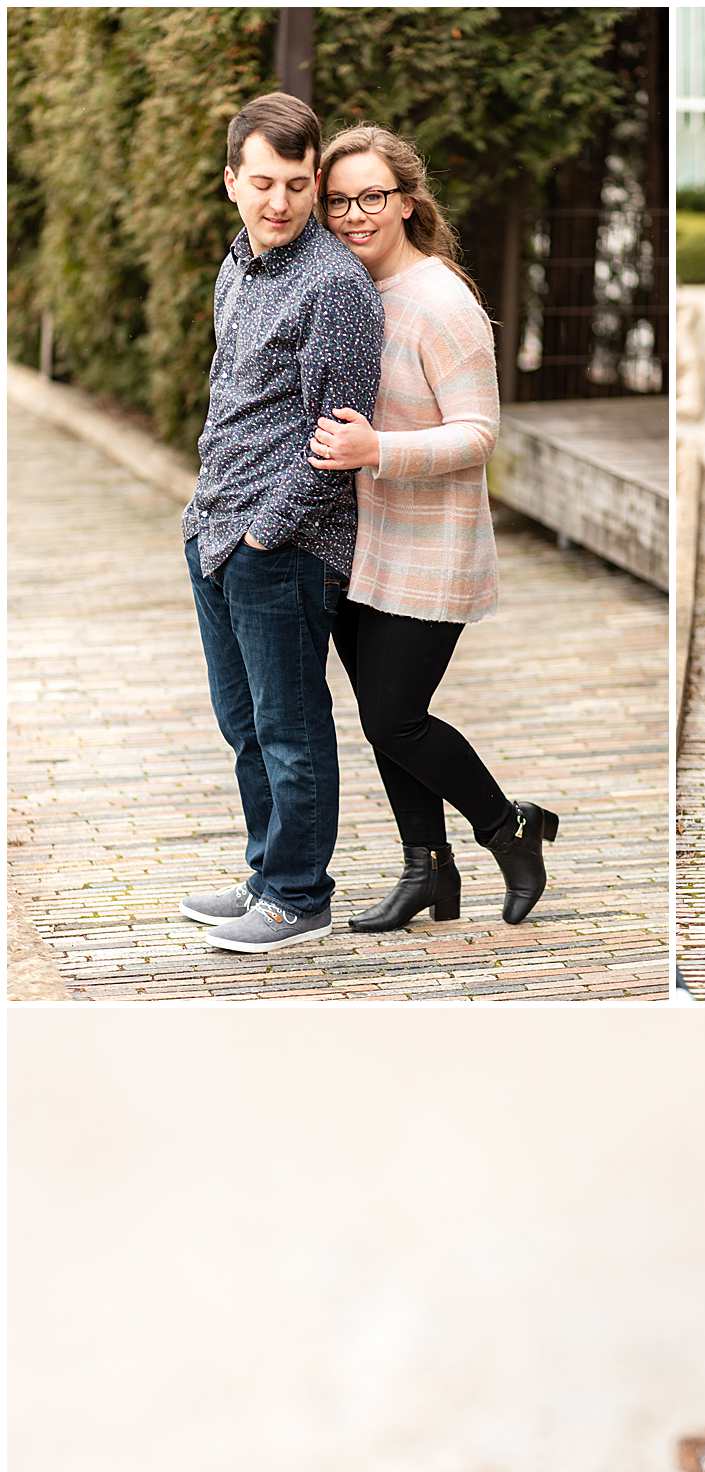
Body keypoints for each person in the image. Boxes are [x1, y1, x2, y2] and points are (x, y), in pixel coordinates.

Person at [306, 124, 559, 931]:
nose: (354, 215)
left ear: (408, 202)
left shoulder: (442, 302)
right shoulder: (346, 290)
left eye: (372, 197)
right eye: (338, 201)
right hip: (361, 546)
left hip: (431, 547)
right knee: (385, 726)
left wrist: (378, 450)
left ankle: (509, 829)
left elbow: (480, 433)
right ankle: (428, 872)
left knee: (396, 718)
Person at [179, 92, 384, 952]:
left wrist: (266, 534)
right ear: (232, 180)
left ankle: (299, 896)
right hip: (214, 528)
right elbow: (230, 393)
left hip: (284, 546)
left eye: (298, 185)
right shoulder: (238, 263)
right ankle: (268, 873)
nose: (280, 202)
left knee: (290, 731)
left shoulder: (334, 286)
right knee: (244, 727)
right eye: (263, 183)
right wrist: (203, 516)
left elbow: (335, 438)